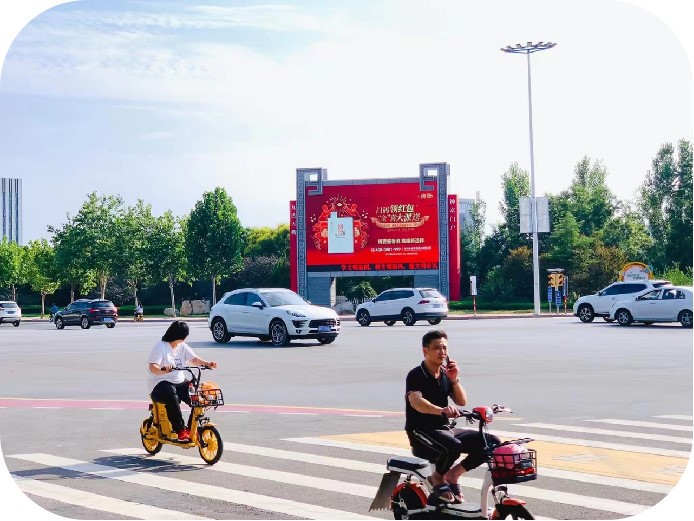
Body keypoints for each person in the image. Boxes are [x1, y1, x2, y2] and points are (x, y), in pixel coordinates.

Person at [405, 330, 500, 505]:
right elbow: (416, 402)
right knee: (453, 446)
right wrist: (441, 410)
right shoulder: (416, 374)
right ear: (425, 351)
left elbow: (461, 401)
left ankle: (453, 475)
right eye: (437, 348)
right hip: (421, 432)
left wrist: (454, 379)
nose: (442, 352)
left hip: (444, 429)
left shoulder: (444, 374)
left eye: (445, 348)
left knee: (490, 442)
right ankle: (438, 477)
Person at [147, 321, 218, 442]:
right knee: (172, 395)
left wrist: (207, 363)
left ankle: (191, 429)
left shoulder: (182, 346)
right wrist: (162, 370)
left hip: (179, 381)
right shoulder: (160, 347)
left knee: (196, 398)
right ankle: (180, 430)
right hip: (159, 383)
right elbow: (153, 367)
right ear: (180, 336)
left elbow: (194, 360)